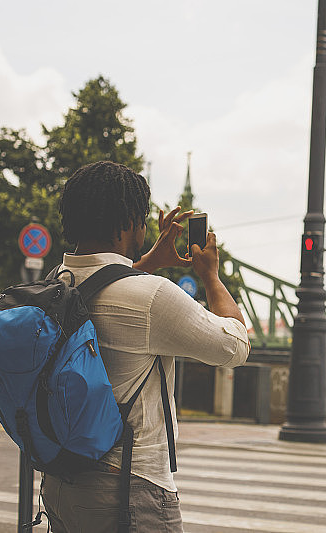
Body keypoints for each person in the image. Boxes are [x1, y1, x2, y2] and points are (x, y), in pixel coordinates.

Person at [41, 160, 250, 532]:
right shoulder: (152, 296)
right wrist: (211, 277)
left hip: (61, 481)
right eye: (140, 218)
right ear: (128, 222)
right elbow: (235, 346)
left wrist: (149, 261)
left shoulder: (55, 285)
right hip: (128, 486)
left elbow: (105, 286)